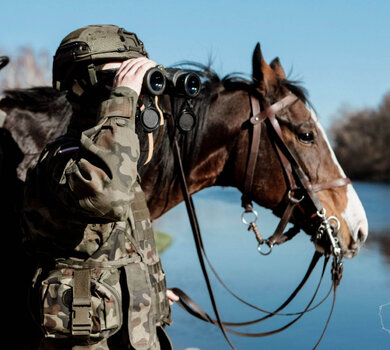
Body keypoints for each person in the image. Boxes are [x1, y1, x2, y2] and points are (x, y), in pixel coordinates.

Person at [22, 24, 178, 350]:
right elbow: (107, 198)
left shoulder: (113, 156)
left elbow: (124, 245)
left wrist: (150, 290)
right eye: (119, 79)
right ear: (82, 86)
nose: (134, 92)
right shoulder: (64, 159)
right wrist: (122, 101)